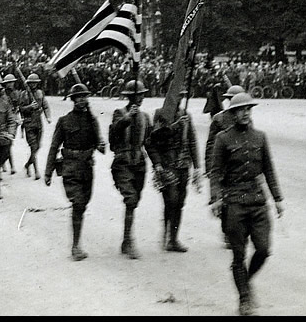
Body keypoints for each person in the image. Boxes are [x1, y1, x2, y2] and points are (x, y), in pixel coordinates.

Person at [209, 93, 284, 316]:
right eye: (241, 110)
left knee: (263, 249)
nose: (245, 113)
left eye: (248, 109)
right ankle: (244, 298)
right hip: (234, 202)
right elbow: (215, 172)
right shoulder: (223, 139)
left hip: (258, 201)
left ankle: (246, 281)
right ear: (232, 114)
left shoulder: (260, 137)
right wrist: (216, 198)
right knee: (238, 254)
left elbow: (268, 169)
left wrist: (278, 198)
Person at [44, 83, 106, 261]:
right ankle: (75, 246)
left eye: (85, 97)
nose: (82, 100)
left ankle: (76, 243)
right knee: (78, 204)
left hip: (87, 167)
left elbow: (100, 145)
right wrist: (48, 172)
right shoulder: (64, 121)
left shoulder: (92, 120)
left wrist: (101, 145)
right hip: (70, 167)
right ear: (72, 100)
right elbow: (54, 146)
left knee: (83, 204)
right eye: (79, 97)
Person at [148, 90, 202, 252]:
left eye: (182, 96)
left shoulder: (186, 115)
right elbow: (155, 139)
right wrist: (176, 125)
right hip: (167, 164)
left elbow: (192, 141)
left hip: (183, 164)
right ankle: (166, 234)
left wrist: (197, 166)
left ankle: (173, 238)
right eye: (177, 95)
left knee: (179, 202)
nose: (180, 99)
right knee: (170, 200)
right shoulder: (161, 114)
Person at [109, 80, 152, 259]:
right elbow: (113, 136)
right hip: (122, 163)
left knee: (135, 201)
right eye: (137, 95)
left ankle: (126, 241)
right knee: (131, 199)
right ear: (130, 97)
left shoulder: (145, 117)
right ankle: (129, 241)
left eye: (142, 94)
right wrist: (127, 119)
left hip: (139, 163)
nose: (140, 98)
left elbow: (149, 142)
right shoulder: (119, 113)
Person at [206, 84, 245, 248]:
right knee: (224, 201)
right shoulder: (219, 119)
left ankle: (235, 231)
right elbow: (210, 144)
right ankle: (227, 232)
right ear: (229, 100)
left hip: (238, 164)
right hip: (222, 164)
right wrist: (209, 166)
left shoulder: (245, 118)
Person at [18, 72, 50, 179]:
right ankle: (36, 171)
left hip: (38, 123)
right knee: (33, 147)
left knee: (38, 147)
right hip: (28, 123)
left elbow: (45, 106)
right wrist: (30, 107)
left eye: (35, 83)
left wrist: (48, 117)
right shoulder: (23, 94)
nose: (33, 85)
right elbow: (21, 108)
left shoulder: (40, 93)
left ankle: (27, 165)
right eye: (31, 83)